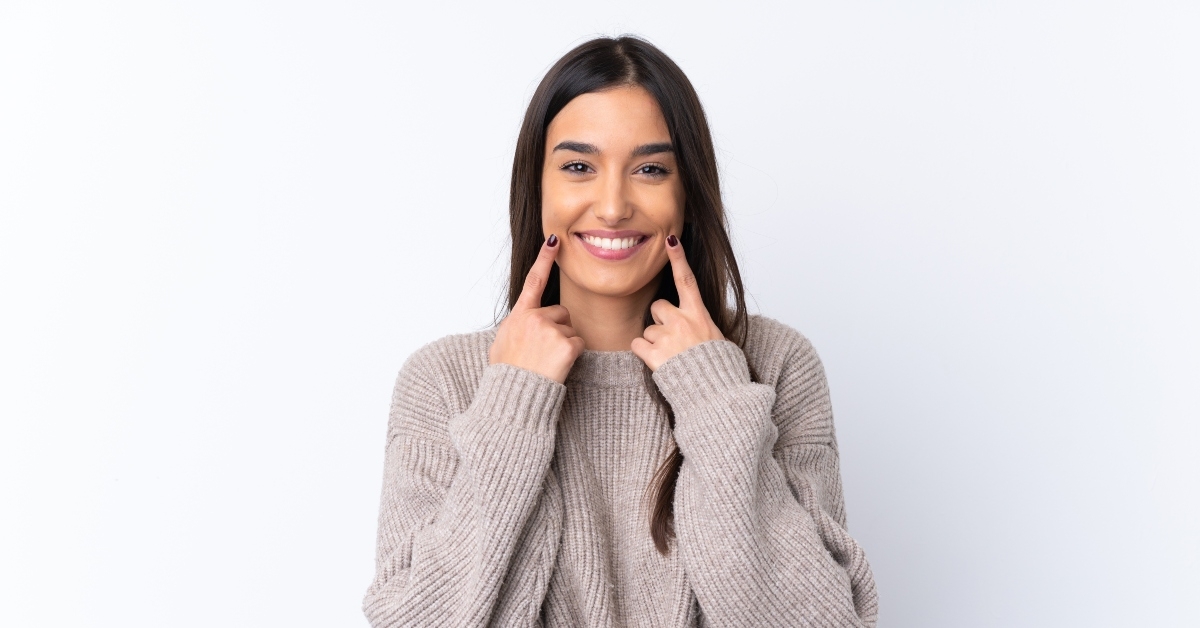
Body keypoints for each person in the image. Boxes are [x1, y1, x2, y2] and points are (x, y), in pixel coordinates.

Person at [362, 36, 878, 627]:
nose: (612, 207)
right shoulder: (445, 379)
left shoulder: (775, 363)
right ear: (538, 186)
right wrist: (513, 404)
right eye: (578, 167)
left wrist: (713, 396)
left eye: (650, 169)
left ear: (687, 192)